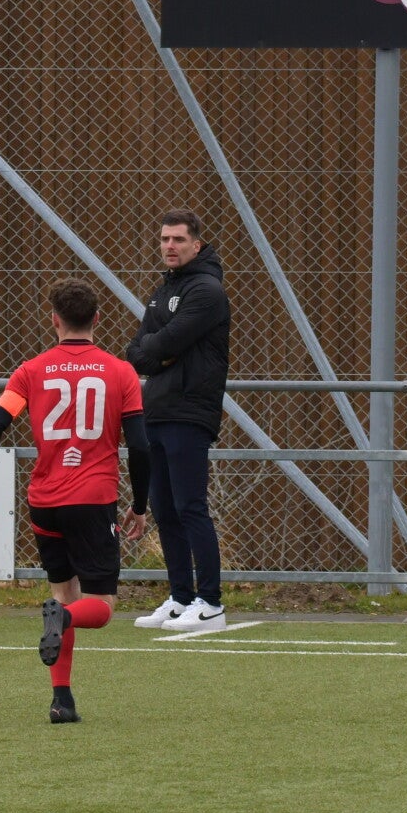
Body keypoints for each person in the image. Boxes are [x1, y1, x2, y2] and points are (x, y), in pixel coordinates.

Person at [0, 279, 149, 724]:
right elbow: (141, 446)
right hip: (93, 500)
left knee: (63, 596)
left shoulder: (31, 371)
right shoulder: (120, 372)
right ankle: (63, 622)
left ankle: (62, 701)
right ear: (97, 319)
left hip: (45, 501)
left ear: (54, 320)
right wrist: (141, 504)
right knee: (100, 608)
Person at [124, 209, 230, 634]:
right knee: (165, 510)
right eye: (165, 239)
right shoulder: (163, 290)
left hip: (190, 411)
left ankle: (211, 603)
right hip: (157, 410)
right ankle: (181, 597)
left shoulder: (207, 290)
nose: (170, 246)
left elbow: (166, 341)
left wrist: (159, 349)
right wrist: (158, 351)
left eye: (179, 239)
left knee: (190, 507)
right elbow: (137, 352)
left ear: (196, 245)